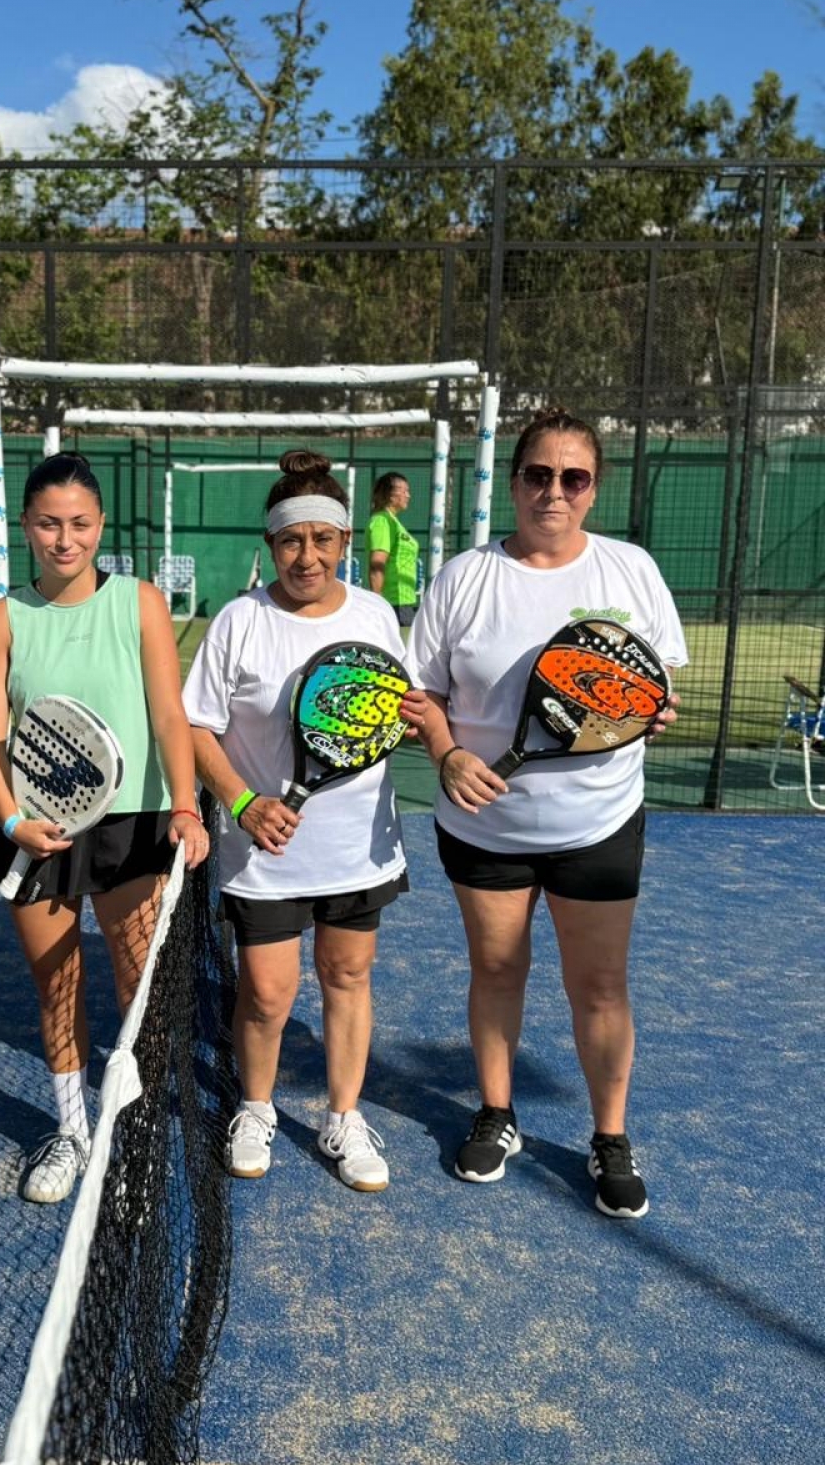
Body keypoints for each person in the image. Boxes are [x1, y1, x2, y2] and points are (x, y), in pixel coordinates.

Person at [401, 405, 687, 1219]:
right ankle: (497, 1113)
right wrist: (448, 754)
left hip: (599, 822)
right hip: (482, 826)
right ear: (514, 481)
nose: (554, 491)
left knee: (599, 984)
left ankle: (610, 1138)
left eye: (573, 477)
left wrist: (654, 712)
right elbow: (422, 695)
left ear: (594, 488)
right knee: (496, 970)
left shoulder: (631, 570)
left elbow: (656, 681)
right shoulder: (464, 578)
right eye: (538, 474)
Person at [0, 452, 209, 1205]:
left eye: (78, 523)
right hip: (34, 825)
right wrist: (12, 819)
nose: (64, 539)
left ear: (100, 525)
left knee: (139, 993)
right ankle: (72, 1132)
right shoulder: (1, 620)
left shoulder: (140, 602)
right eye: (49, 523)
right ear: (26, 526)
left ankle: (131, 1136)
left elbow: (170, 713)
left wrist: (185, 803)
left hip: (132, 822)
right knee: (57, 984)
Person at [184, 449, 408, 1193]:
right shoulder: (240, 620)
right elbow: (196, 727)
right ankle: (255, 1108)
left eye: (322, 539)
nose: (307, 556)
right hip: (263, 853)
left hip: (358, 846)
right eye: (290, 541)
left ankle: (345, 1116)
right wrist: (242, 803)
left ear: (345, 541)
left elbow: (389, 708)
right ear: (271, 544)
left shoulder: (375, 615)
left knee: (348, 976)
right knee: (267, 994)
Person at [366, 470, 418, 627]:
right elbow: (377, 563)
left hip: (404, 602)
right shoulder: (382, 521)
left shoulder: (393, 522)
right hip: (392, 603)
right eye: (404, 491)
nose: (408, 495)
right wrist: (378, 602)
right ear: (390, 494)